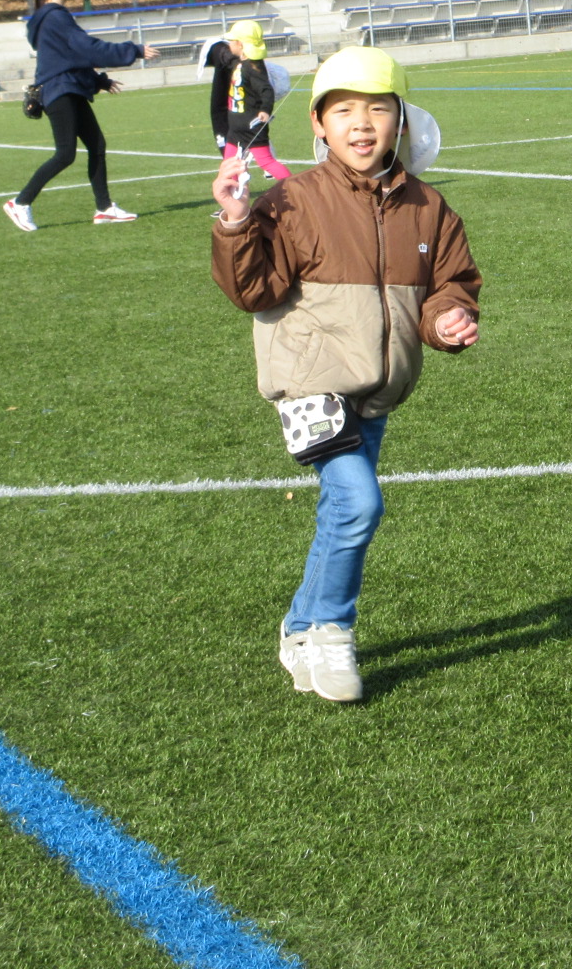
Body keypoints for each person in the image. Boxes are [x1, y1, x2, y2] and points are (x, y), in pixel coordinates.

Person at [209, 46, 481, 702]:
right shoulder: (293, 203)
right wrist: (237, 222)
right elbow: (253, 289)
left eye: (378, 109)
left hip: (378, 390)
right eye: (345, 111)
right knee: (359, 503)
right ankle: (332, 632)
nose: (362, 124)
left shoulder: (429, 208)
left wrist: (447, 319)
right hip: (312, 389)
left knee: (339, 512)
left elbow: (452, 283)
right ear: (319, 126)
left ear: (402, 123)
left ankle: (299, 627)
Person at [3, 0, 160, 231]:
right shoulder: (55, 17)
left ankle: (105, 208)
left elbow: (70, 58)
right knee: (65, 154)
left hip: (69, 88)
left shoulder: (50, 18)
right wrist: (132, 50)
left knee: (96, 146)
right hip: (59, 92)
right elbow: (86, 48)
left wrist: (99, 81)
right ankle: (20, 203)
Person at [202, 18, 292, 182]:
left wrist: (265, 110)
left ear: (239, 44)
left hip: (251, 127)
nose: (228, 45)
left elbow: (266, 90)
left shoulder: (254, 67)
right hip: (235, 128)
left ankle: (297, 189)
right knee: (229, 165)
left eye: (231, 41)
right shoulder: (239, 63)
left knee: (266, 161)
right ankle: (232, 204)